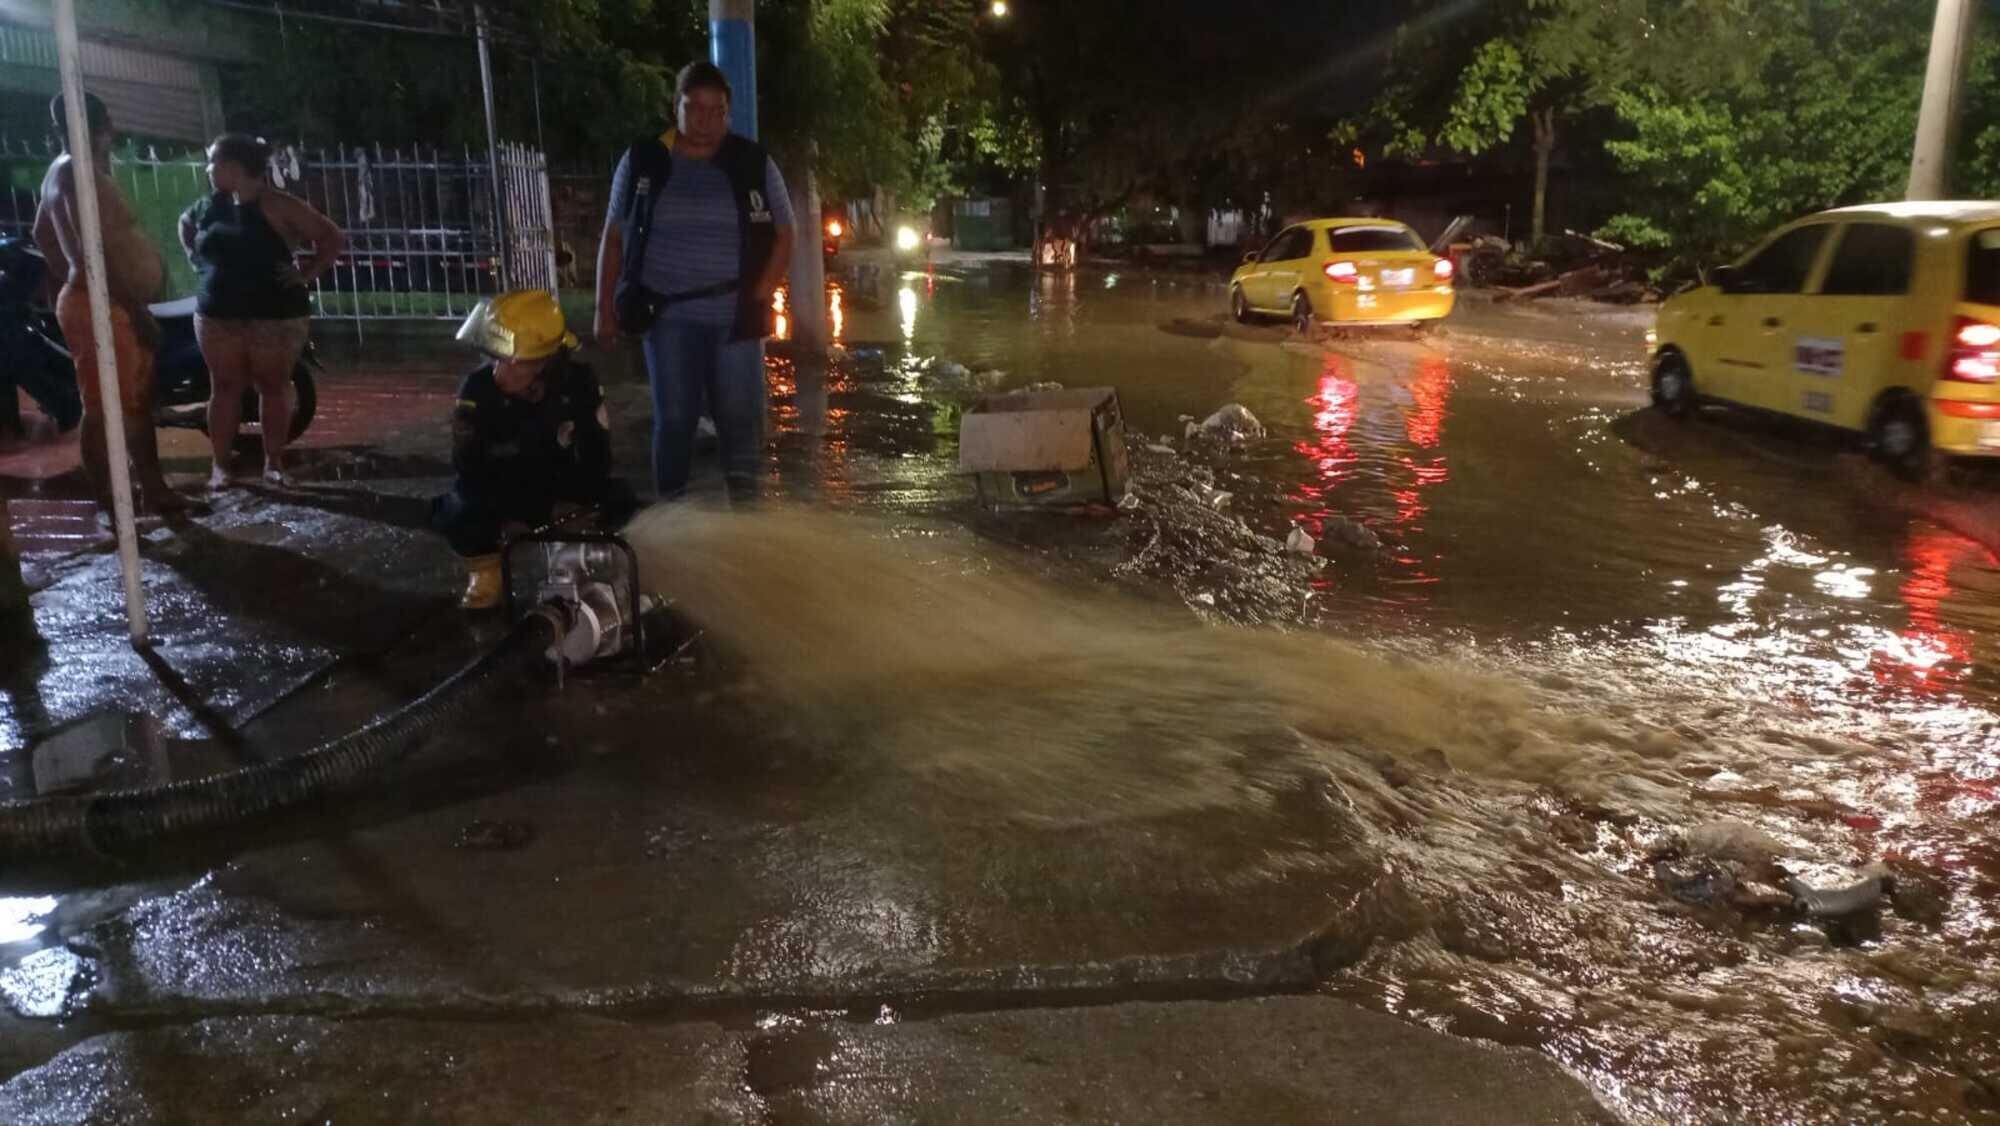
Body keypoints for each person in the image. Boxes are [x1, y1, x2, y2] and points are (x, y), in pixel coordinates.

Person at [594, 60, 795, 504]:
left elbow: (785, 233)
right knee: (676, 419)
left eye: (716, 111)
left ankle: (745, 513)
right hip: (667, 318)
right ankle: (672, 515)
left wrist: (761, 293)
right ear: (677, 108)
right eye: (695, 109)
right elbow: (614, 237)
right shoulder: (644, 160)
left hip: (734, 319)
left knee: (741, 419)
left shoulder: (752, 162)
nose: (705, 121)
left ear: (728, 112)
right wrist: (602, 309)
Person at [431, 290, 636, 610]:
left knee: (622, 499)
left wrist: (577, 508)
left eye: (514, 363)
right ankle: (486, 571)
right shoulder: (476, 390)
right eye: (496, 358)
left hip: (560, 483)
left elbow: (597, 451)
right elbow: (468, 466)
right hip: (502, 486)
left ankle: (599, 568)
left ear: (545, 362)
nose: (501, 372)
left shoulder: (579, 383)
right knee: (459, 509)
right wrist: (508, 511)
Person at [32, 92, 185, 517]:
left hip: (100, 299)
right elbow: (92, 254)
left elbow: (41, 235)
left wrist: (74, 278)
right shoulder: (76, 174)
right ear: (102, 129)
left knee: (134, 401)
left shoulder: (63, 173)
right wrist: (132, 308)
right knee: (103, 409)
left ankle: (153, 491)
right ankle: (112, 506)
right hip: (104, 305)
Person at [180, 133, 345, 488]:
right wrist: (197, 262)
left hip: (275, 316)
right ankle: (220, 466)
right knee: (223, 388)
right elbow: (185, 226)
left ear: (234, 168)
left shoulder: (279, 206)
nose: (207, 169)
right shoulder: (208, 206)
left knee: (272, 386)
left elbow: (331, 237)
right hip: (217, 315)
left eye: (212, 162)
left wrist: (305, 274)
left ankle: (273, 463)